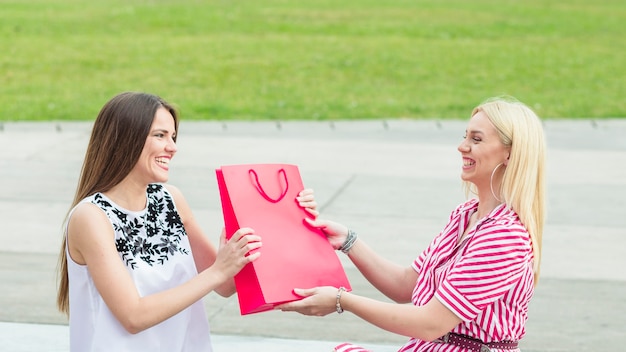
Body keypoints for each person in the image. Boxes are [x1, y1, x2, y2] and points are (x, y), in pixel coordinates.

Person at [277, 96, 546, 352]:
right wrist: (348, 241)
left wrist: (341, 300)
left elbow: (431, 323)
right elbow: (407, 285)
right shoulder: (465, 216)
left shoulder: (505, 236)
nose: (462, 146)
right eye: (464, 136)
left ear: (509, 154)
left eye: (476, 139)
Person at [55, 91, 318, 351]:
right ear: (125, 138)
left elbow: (225, 285)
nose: (172, 147)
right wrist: (218, 270)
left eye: (173, 136)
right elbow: (133, 316)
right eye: (160, 135)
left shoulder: (171, 200)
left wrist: (284, 217)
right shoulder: (91, 217)